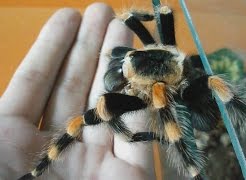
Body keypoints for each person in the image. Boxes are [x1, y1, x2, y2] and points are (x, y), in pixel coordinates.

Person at [0, 3, 172, 179]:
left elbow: (130, 16)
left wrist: (141, 17)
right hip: (124, 76)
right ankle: (38, 170)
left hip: (128, 65)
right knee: (81, 121)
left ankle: (36, 172)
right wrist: (126, 135)